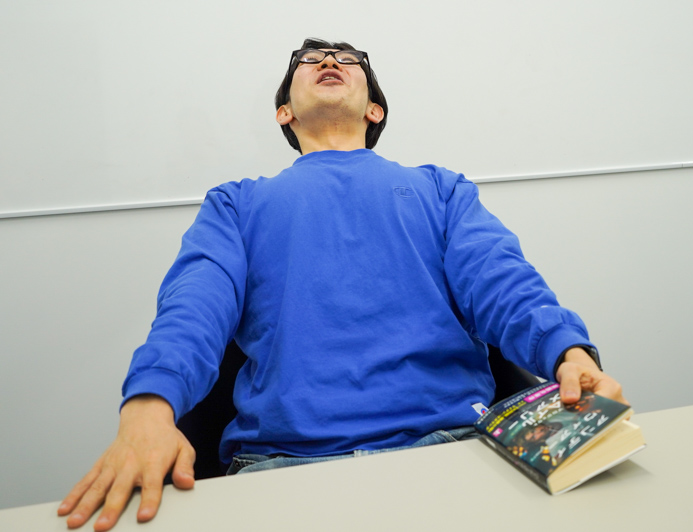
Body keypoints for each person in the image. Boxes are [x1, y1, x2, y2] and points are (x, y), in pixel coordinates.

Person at [58, 38, 627, 531]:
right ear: (284, 113)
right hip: (281, 469)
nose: (329, 61)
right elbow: (192, 310)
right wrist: (148, 409)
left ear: (374, 109)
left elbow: (502, 282)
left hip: (451, 451)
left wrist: (569, 354)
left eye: (347, 59)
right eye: (310, 60)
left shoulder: (441, 190)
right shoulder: (236, 205)